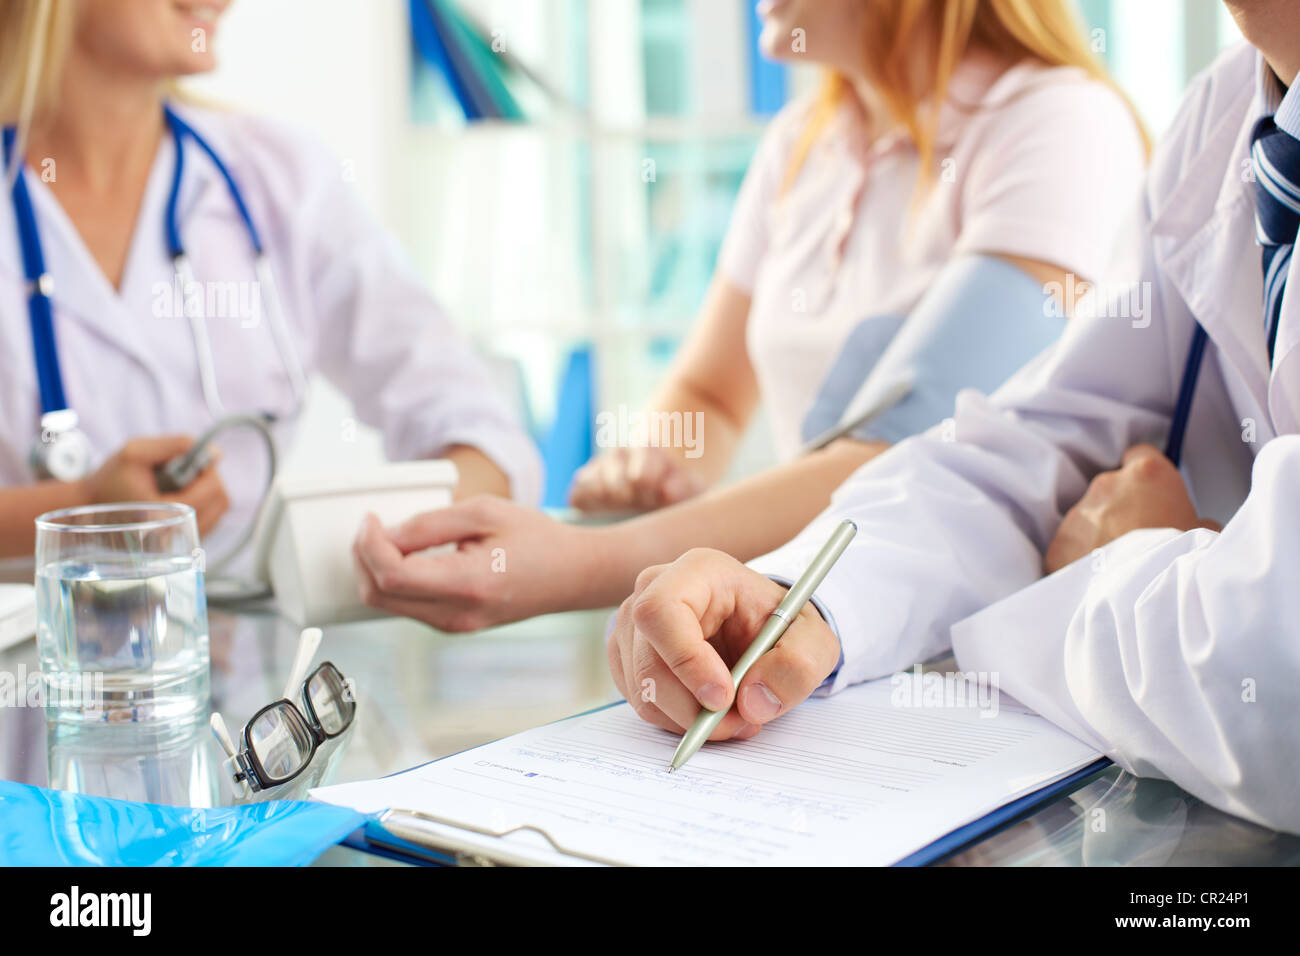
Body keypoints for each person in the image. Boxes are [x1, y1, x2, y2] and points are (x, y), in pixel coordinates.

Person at [602, 1, 1300, 834]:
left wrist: (1113, 565)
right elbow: (1034, 441)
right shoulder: (1225, 114)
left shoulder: (1060, 121)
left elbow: (1276, 685)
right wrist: (803, 598)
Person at [352, 0, 1148, 630]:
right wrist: (664, 459)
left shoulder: (1060, 124)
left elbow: (905, 454)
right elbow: (710, 393)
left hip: (987, 642)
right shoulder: (802, 142)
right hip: (830, 618)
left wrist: (584, 564)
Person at [0, 0, 540, 567]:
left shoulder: (281, 178)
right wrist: (82, 510)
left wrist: (365, 554)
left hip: (254, 622)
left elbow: (483, 435)